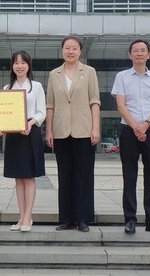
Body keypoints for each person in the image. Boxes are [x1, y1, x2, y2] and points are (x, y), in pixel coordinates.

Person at [112, 39, 150, 234]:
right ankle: (130, 219)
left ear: (149, 55)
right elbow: (121, 105)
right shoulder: (122, 77)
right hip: (129, 130)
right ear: (130, 55)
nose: (139, 53)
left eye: (143, 50)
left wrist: (146, 125)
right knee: (129, 175)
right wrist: (136, 126)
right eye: (135, 50)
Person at [45, 35, 101, 232]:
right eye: (67, 48)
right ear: (62, 50)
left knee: (84, 175)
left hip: (84, 130)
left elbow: (95, 101)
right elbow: (50, 105)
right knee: (65, 175)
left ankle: (83, 218)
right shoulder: (54, 74)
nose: (71, 51)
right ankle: (67, 218)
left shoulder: (89, 72)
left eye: (74, 48)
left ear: (80, 51)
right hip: (61, 131)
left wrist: (96, 127)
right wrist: (49, 130)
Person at [0, 51, 46, 232]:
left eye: (23, 63)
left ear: (29, 65)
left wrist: (31, 123)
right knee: (18, 178)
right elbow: (3, 114)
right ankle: (21, 217)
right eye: (16, 63)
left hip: (30, 133)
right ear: (12, 66)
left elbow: (41, 112)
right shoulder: (6, 88)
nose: (19, 66)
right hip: (13, 135)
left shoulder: (37, 86)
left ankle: (28, 217)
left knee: (28, 177)